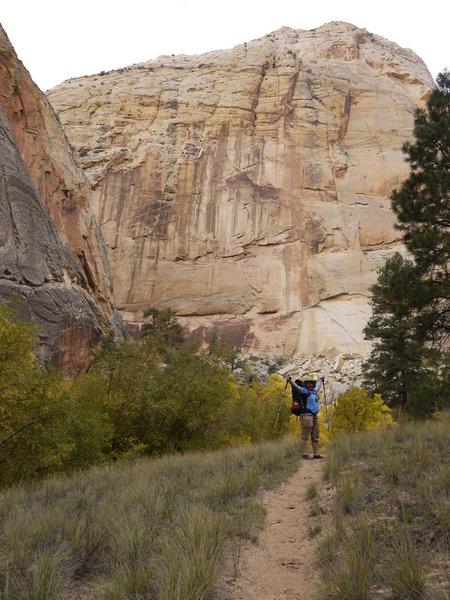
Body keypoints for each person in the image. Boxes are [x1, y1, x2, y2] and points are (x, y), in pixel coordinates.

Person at [287, 374, 324, 460]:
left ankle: (316, 454)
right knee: (305, 435)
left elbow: (318, 386)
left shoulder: (314, 391)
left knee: (315, 435)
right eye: (308, 383)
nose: (310, 385)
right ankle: (304, 454)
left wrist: (321, 379)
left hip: (314, 416)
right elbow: (297, 388)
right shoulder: (304, 391)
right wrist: (290, 382)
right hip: (306, 415)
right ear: (306, 384)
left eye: (311, 383)